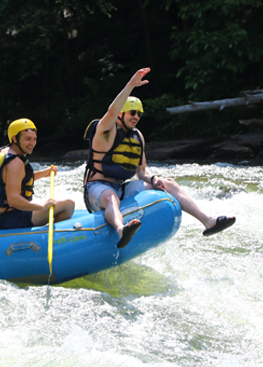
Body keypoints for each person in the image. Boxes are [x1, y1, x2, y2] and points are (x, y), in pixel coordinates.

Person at [83, 68, 236, 248]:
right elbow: (110, 111)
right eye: (132, 112)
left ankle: (208, 221)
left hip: (121, 188)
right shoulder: (105, 132)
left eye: (139, 113)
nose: (136, 117)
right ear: (121, 114)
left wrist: (153, 179)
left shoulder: (137, 136)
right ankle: (120, 229)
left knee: (169, 182)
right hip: (96, 190)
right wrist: (131, 85)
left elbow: (141, 171)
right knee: (110, 198)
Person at [0, 118, 75, 229]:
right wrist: (42, 207)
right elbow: (14, 201)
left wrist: (44, 173)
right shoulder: (15, 162)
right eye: (28, 139)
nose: (32, 143)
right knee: (68, 204)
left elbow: (13, 180)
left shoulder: (1, 153)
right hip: (8, 219)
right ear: (15, 139)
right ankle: (55, 241)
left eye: (34, 139)